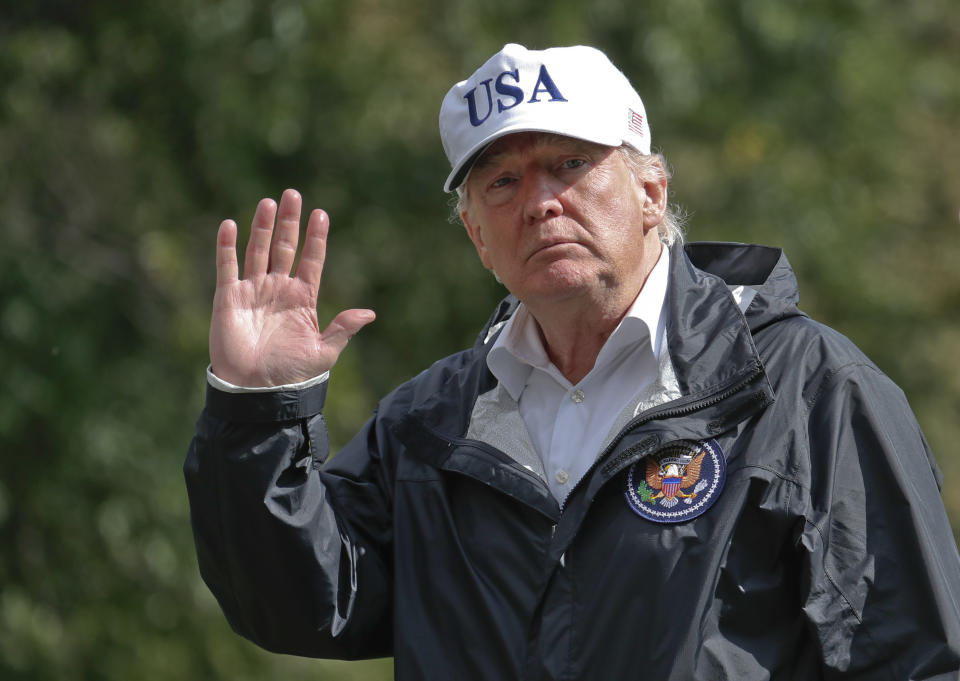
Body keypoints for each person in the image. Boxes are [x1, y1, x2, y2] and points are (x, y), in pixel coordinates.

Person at [185, 44, 960, 679]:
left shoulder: (809, 389)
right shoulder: (428, 425)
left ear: (651, 190)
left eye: (569, 164)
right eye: (503, 180)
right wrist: (258, 410)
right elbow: (301, 600)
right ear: (478, 238)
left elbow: (912, 656)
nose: (540, 201)